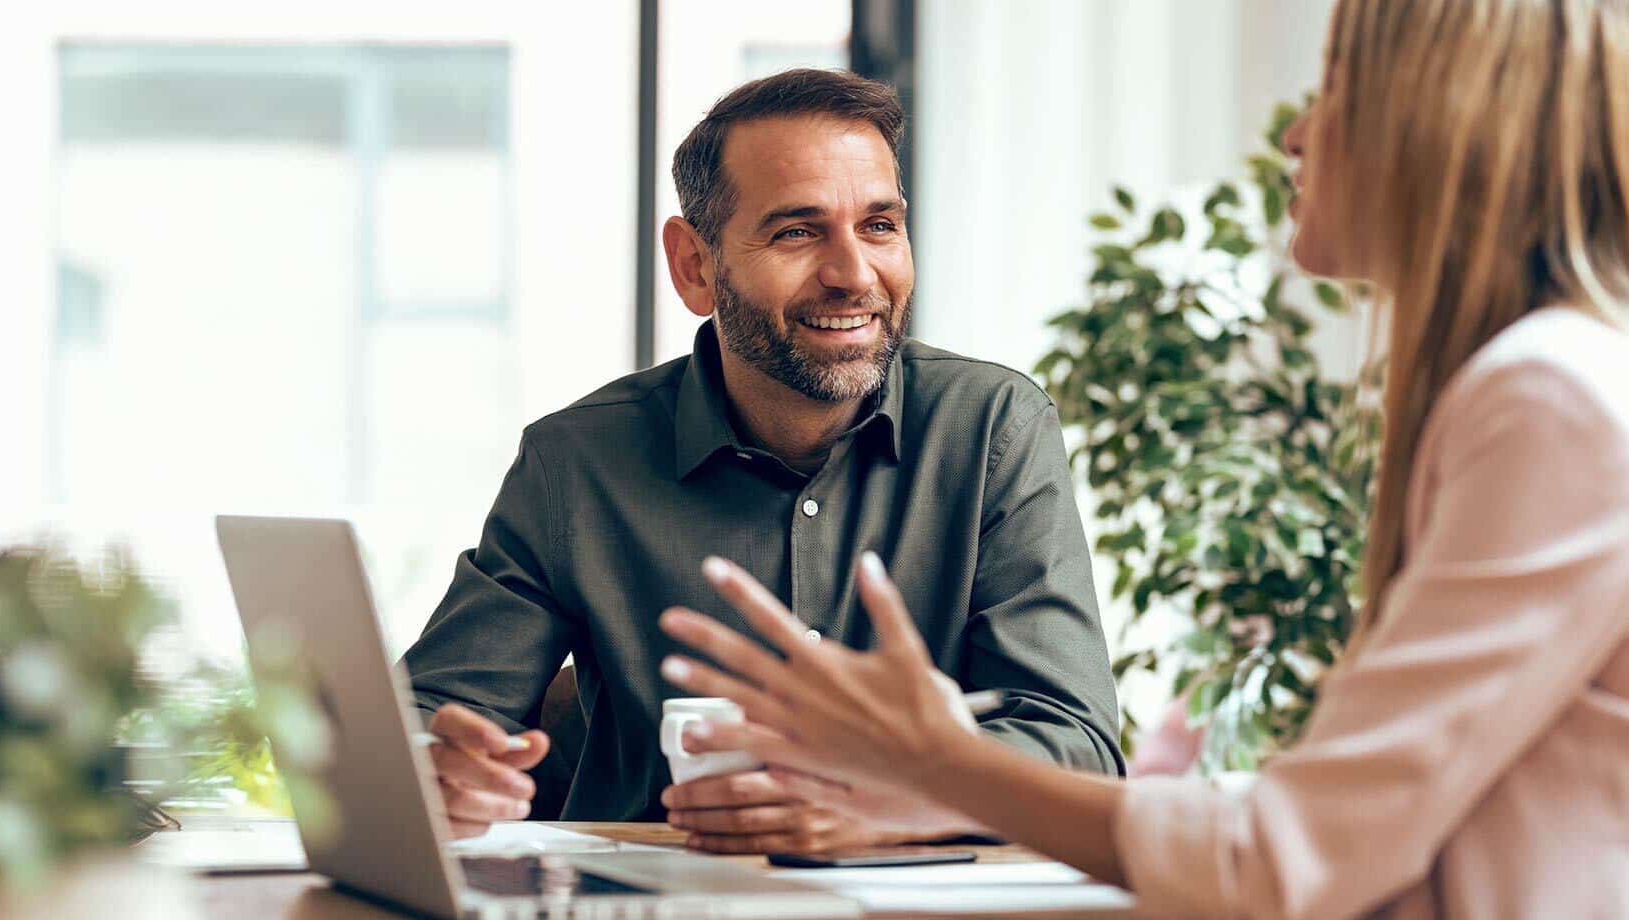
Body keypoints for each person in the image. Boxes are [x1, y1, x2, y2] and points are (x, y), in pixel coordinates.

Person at [655, 0, 1629, 915]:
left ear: (1436, 124)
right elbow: (1376, 805)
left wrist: (937, 766)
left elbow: (1286, 856)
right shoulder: (1542, 384)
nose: (1294, 135)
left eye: (1333, 89)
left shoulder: (1548, 399)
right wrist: (943, 791)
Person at [402, 68, 1124, 852]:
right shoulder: (575, 461)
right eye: (797, 232)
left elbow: (1078, 747)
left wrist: (898, 796)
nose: (854, 274)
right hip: (652, 897)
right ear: (695, 266)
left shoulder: (993, 430)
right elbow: (427, 715)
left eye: (879, 226)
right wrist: (439, 771)